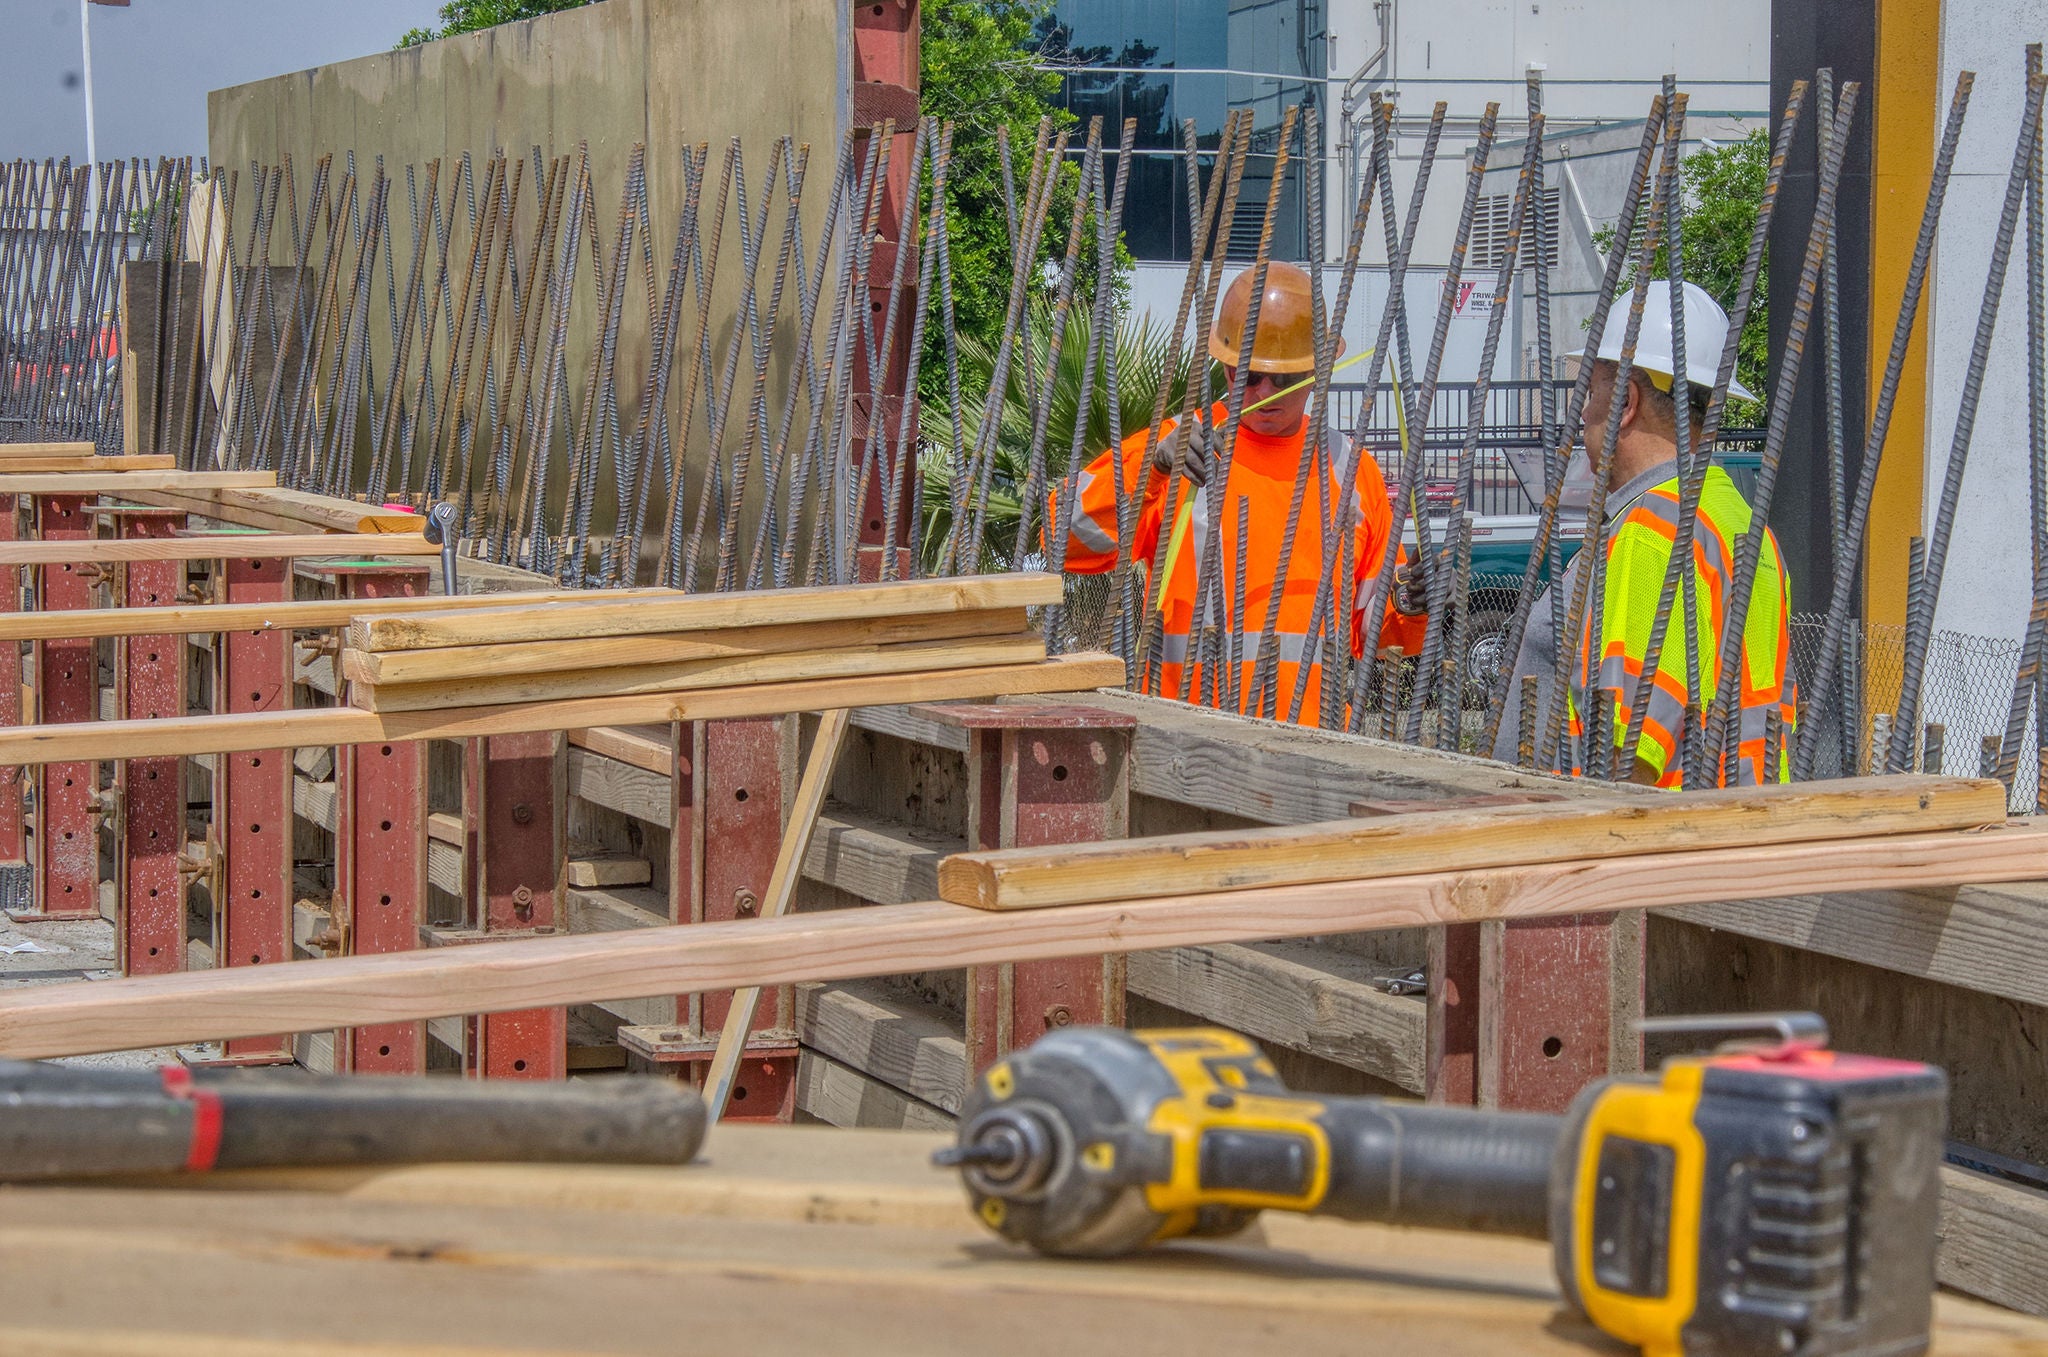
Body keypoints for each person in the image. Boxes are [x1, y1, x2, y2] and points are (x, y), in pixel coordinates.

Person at [1054, 262, 1425, 726]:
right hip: (1184, 736)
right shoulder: (1178, 449)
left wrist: (1412, 607)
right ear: (1225, 367)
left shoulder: (1349, 472)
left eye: (1284, 379)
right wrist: (1151, 470)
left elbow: (1378, 633)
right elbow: (1061, 537)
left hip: (1310, 742)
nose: (1264, 392)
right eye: (1247, 376)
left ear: (1317, 371)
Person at [1490, 281, 1796, 786]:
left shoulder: (1652, 531)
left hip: (1654, 847)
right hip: (1738, 832)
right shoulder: (1739, 519)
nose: (1584, 412)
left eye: (1591, 393)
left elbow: (1627, 758)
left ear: (1626, 401)